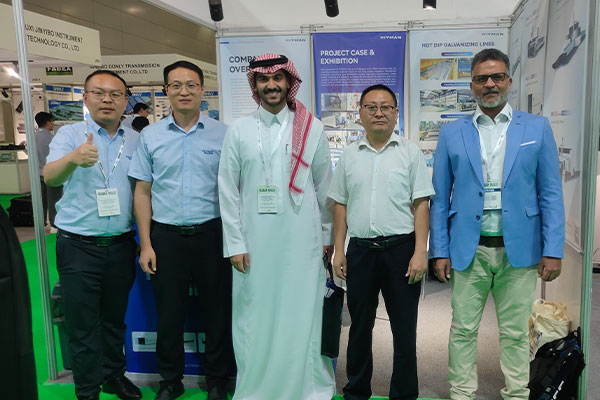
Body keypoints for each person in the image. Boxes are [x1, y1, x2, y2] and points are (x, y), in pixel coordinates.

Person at [429, 48, 565, 400]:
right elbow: (440, 198)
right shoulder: (452, 132)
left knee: (515, 332)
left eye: (497, 77)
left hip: (519, 249)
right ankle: (462, 394)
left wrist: (553, 249)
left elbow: (550, 193)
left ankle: (517, 394)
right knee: (462, 329)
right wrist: (439, 250)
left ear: (509, 80)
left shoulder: (536, 128)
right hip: (469, 249)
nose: (490, 84)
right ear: (472, 85)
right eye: (481, 79)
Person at [218, 53, 335, 400]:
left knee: (301, 310)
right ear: (255, 85)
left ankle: (305, 387)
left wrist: (327, 236)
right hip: (253, 242)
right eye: (264, 79)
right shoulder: (239, 130)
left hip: (303, 240)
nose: (271, 85)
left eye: (278, 78)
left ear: (289, 82)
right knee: (255, 313)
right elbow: (227, 190)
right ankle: (258, 387)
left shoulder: (312, 128)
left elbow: (325, 186)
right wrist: (234, 243)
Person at [129, 60, 233, 400]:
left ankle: (217, 380)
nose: (183, 91)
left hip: (212, 235)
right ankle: (170, 380)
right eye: (176, 85)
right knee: (168, 315)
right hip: (166, 238)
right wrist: (146, 244)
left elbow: (236, 189)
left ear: (202, 90)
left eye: (191, 85)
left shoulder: (224, 134)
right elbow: (142, 191)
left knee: (217, 312)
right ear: (166, 91)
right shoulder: (151, 135)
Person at [328, 84, 434, 400]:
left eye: (385, 107)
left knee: (404, 330)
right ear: (360, 113)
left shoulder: (410, 153)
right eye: (371, 107)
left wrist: (420, 251)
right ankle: (356, 391)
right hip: (360, 252)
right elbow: (340, 204)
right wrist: (338, 250)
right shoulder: (349, 155)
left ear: (396, 113)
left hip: (402, 251)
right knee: (359, 328)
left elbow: (421, 204)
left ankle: (403, 394)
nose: (378, 112)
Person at [43, 70, 141, 400]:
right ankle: (87, 391)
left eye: (115, 94)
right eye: (98, 93)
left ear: (125, 101)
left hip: (121, 244)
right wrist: (73, 158)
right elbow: (50, 177)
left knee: (114, 320)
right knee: (83, 324)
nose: (107, 99)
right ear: (85, 98)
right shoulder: (70, 135)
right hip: (79, 247)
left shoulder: (135, 139)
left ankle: (113, 375)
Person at [34, 111, 62, 229]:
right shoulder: (52, 138)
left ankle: (40, 223)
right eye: (52, 121)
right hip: (51, 174)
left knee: (40, 200)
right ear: (47, 122)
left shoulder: (33, 136)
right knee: (54, 199)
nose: (53, 123)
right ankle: (54, 223)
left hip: (37, 173)